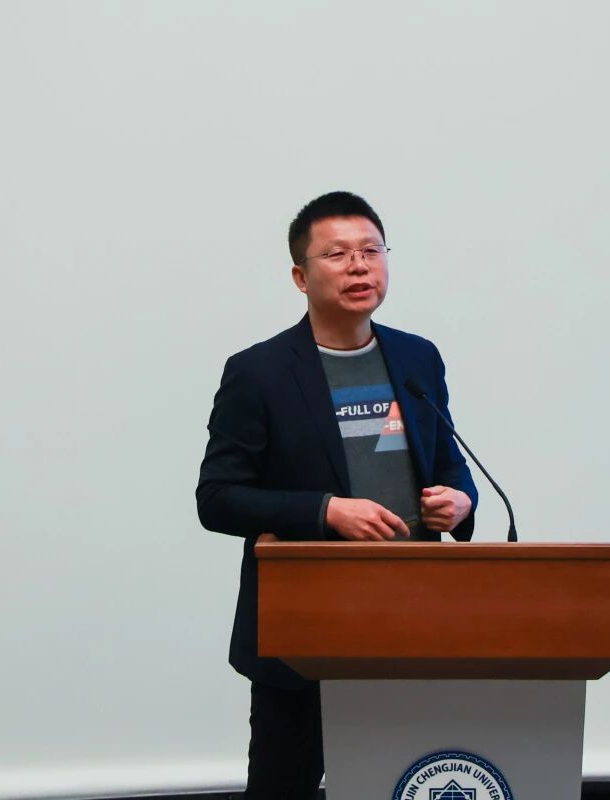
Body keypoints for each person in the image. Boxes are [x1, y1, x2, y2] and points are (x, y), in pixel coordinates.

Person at [195, 191, 479, 799]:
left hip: (411, 621)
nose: (359, 266)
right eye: (338, 254)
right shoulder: (260, 372)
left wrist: (461, 502)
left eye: (371, 251)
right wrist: (324, 511)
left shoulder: (417, 357)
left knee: (408, 783)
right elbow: (217, 497)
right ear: (300, 277)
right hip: (306, 629)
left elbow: (450, 463)